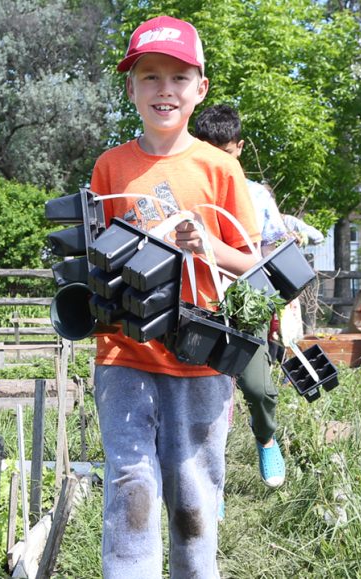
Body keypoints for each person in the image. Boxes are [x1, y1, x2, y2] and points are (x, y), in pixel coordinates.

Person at [89, 16, 261, 577]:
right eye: (150, 76)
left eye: (179, 77)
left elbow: (252, 262)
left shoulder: (221, 168)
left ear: (199, 89)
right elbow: (96, 255)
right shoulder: (111, 166)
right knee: (130, 481)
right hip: (124, 353)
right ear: (132, 87)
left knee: (192, 492)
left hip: (200, 355)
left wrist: (205, 243)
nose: (165, 88)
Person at [194, 104, 287, 488]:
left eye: (226, 152)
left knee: (258, 387)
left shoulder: (257, 196)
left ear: (240, 148)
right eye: (210, 152)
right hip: (201, 303)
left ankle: (265, 435)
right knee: (207, 398)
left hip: (249, 303)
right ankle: (210, 485)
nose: (220, 162)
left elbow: (276, 245)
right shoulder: (192, 190)